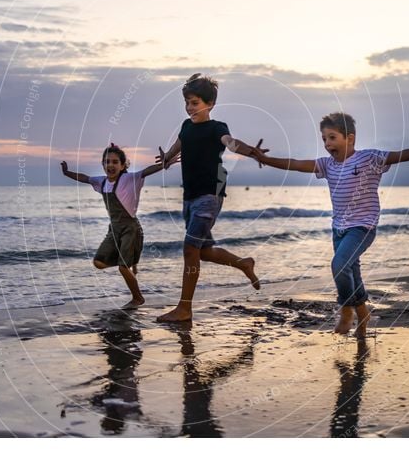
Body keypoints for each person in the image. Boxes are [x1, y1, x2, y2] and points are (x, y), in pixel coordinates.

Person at [253, 112, 409, 337]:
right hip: (339, 229)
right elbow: (296, 164)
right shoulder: (327, 165)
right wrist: (265, 160)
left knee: (339, 265)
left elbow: (399, 155)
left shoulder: (368, 158)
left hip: (363, 227)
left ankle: (346, 310)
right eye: (324, 139)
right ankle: (363, 313)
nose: (327, 144)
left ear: (350, 138)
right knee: (352, 272)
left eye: (332, 137)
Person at [155, 73, 262, 322]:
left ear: (210, 104)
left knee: (190, 249)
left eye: (194, 102)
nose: (190, 107)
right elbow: (177, 147)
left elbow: (231, 143)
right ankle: (243, 263)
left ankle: (184, 308)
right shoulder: (186, 126)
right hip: (190, 196)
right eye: (187, 102)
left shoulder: (217, 128)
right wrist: (167, 158)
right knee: (203, 250)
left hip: (209, 196)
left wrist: (253, 152)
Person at [61, 144, 174, 309]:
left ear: (122, 166)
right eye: (107, 162)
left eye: (115, 162)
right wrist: (66, 173)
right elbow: (84, 178)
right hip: (113, 229)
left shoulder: (129, 179)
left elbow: (147, 171)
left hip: (130, 229)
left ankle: (138, 297)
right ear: (103, 165)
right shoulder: (101, 182)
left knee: (122, 268)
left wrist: (164, 164)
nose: (110, 165)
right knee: (99, 262)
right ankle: (130, 262)